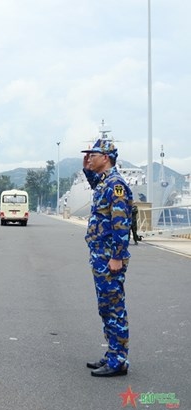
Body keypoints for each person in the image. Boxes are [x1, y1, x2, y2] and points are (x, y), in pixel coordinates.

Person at [81, 138, 133, 377]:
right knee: (106, 307)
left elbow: (121, 224)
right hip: (100, 255)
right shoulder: (104, 183)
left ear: (107, 157)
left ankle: (119, 360)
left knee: (114, 307)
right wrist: (86, 168)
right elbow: (95, 185)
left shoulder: (116, 185)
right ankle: (112, 353)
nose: (90, 157)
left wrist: (117, 257)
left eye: (94, 154)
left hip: (110, 257)